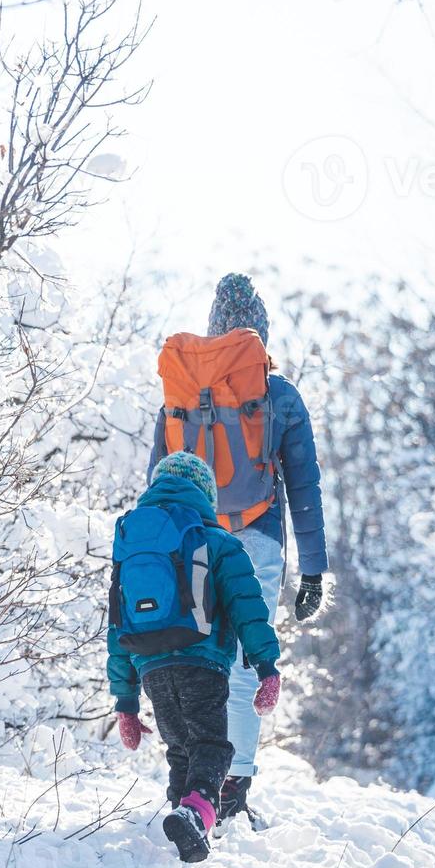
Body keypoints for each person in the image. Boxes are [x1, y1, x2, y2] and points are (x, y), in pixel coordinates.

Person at [147, 272, 329, 827]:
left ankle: (191, 781)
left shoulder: (180, 390)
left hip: (188, 536)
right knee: (248, 663)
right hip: (257, 534)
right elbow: (304, 485)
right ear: (261, 333)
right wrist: (313, 571)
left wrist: (147, 555)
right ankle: (232, 788)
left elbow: (158, 478)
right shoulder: (278, 394)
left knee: (190, 657)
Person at [108, 452, 282, 862]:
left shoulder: (132, 545)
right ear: (205, 494)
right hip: (201, 661)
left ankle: (181, 818)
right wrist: (266, 666)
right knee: (212, 745)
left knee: (180, 748)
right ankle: (195, 812)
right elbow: (247, 606)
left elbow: (117, 626)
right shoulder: (218, 541)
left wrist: (126, 703)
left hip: (150, 664)